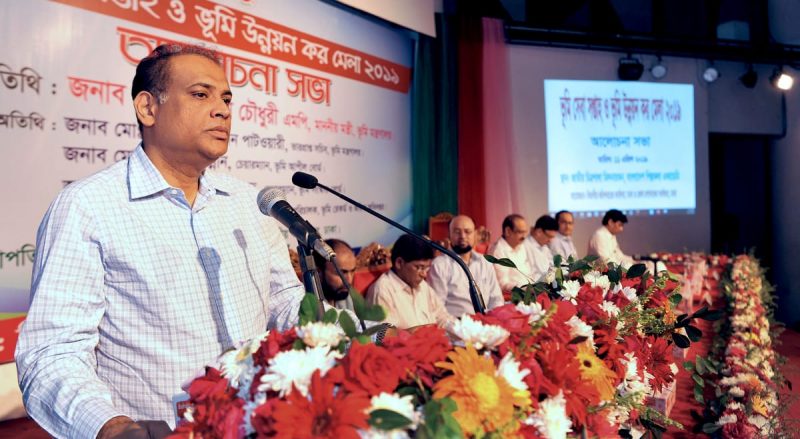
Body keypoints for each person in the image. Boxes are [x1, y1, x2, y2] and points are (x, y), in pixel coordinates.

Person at [15, 44, 308, 439]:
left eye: (226, 99)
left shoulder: (247, 203)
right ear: (147, 108)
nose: (222, 110)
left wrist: (364, 335)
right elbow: (52, 352)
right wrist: (111, 427)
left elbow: (285, 303)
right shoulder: (88, 206)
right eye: (201, 94)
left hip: (260, 423)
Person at [366, 234, 454, 329]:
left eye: (427, 268)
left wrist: (458, 329)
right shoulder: (383, 291)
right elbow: (385, 334)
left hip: (434, 337)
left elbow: (442, 316)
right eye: (419, 267)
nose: (424, 274)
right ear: (399, 263)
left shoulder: (422, 285)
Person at [427, 215, 504, 318]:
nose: (462, 236)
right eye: (457, 232)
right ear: (449, 235)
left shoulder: (485, 262)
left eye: (468, 232)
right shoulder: (439, 265)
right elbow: (437, 308)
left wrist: (493, 319)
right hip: (456, 323)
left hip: (487, 322)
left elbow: (496, 298)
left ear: (475, 234)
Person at [488, 214, 535, 291]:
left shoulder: (521, 246)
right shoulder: (497, 251)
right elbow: (502, 284)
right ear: (508, 231)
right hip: (514, 295)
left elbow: (529, 273)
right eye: (520, 232)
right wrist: (525, 288)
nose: (524, 236)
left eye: (525, 232)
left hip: (530, 291)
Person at [312, 238, 358, 307]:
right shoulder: (306, 305)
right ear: (318, 273)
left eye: (352, 272)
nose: (349, 280)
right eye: (341, 273)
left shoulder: (345, 294)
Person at [524, 215, 558, 281]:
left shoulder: (544, 247)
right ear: (539, 232)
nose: (550, 241)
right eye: (549, 236)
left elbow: (552, 266)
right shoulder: (525, 246)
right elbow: (529, 274)